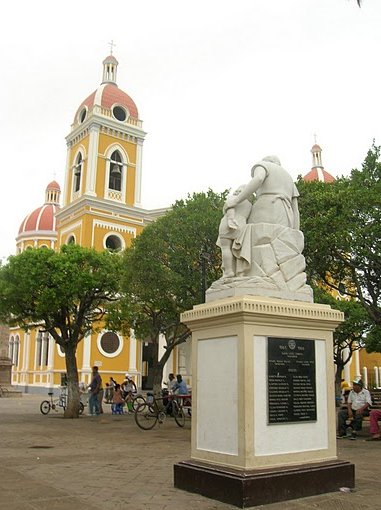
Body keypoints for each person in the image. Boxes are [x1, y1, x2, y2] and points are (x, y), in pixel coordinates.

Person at [216, 185, 252, 278]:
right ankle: (240, 271)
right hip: (242, 225)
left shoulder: (234, 198)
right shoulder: (250, 205)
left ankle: (229, 271)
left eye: (238, 190)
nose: (236, 192)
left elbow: (230, 207)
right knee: (238, 249)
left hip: (229, 223)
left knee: (225, 248)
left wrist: (230, 218)